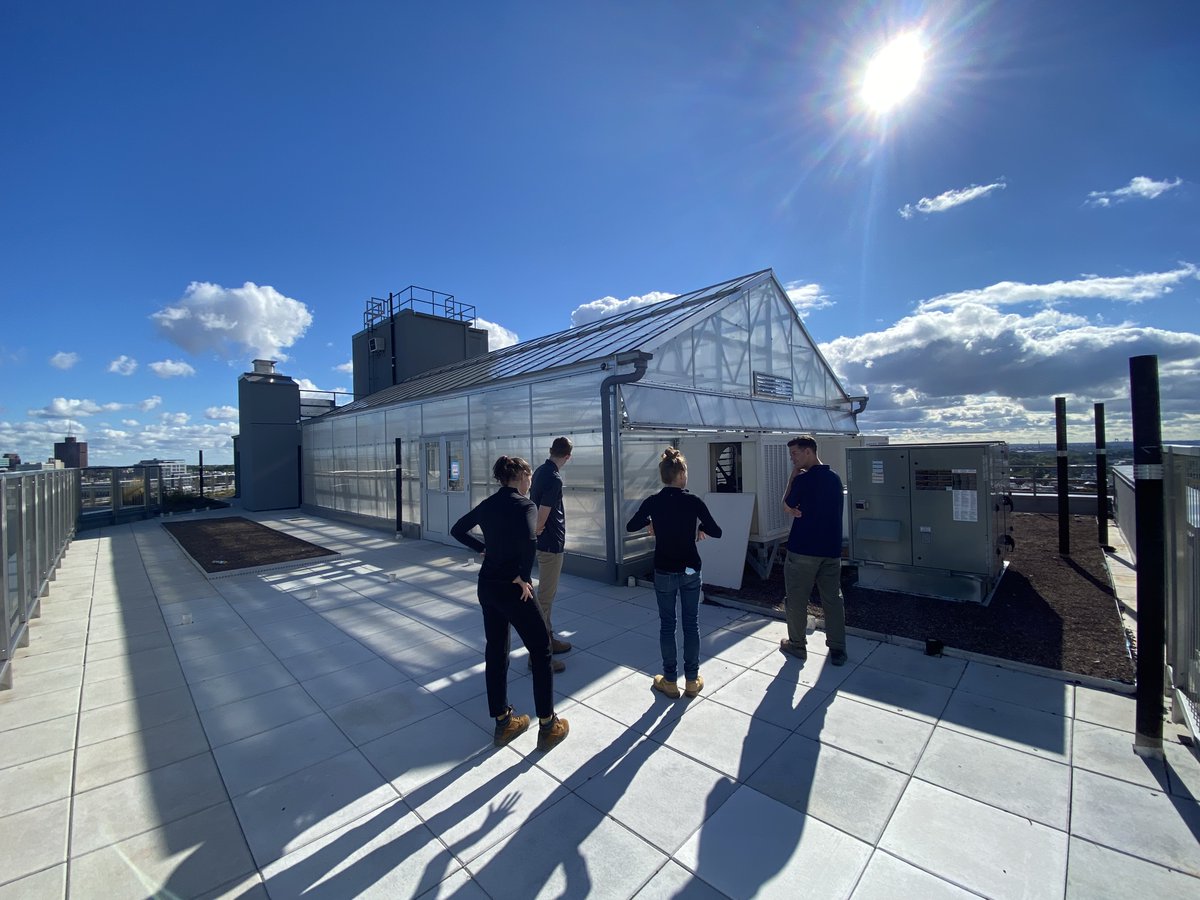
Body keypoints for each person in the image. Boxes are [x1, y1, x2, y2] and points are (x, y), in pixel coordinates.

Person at [451, 455, 569, 751]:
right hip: (514, 589)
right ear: (519, 476)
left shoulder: (489, 504)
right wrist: (522, 577)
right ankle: (548, 725)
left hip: (487, 586)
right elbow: (530, 541)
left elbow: (457, 529)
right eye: (528, 477)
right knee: (541, 649)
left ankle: (504, 722)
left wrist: (484, 549)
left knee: (496, 649)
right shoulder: (524, 505)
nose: (530, 482)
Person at [626, 447, 722, 699]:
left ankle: (669, 680)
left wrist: (651, 522)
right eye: (686, 472)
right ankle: (691, 680)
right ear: (680, 474)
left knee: (668, 625)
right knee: (691, 624)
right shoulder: (693, 502)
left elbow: (631, 525)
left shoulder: (653, 502)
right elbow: (717, 530)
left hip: (664, 570)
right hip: (690, 568)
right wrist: (700, 525)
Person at [779, 435, 847, 666]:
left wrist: (792, 479)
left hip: (803, 551)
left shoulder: (803, 480)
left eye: (795, 454)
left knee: (797, 600)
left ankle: (797, 646)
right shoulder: (835, 479)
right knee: (833, 600)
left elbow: (786, 504)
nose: (793, 459)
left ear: (809, 451)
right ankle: (838, 648)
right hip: (831, 550)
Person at [530, 436, 573, 673]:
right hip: (550, 545)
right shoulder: (554, 478)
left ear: (550, 451)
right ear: (568, 456)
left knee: (547, 596)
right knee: (545, 599)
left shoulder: (539, 471)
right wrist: (537, 530)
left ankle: (549, 640)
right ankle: (539, 654)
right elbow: (543, 512)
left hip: (545, 543)